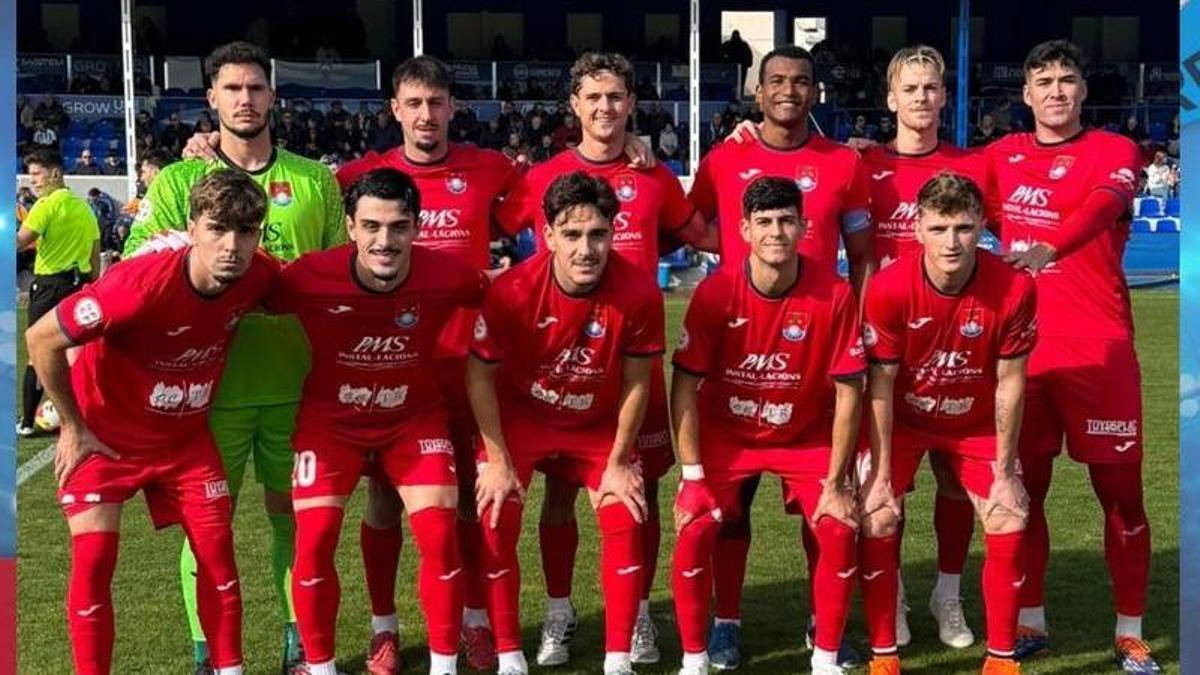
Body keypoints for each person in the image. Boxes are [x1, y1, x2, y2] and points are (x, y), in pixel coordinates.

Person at [122, 41, 346, 674]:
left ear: (272, 96)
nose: (245, 99)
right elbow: (137, 265)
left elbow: (337, 274)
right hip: (206, 392)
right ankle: (208, 652)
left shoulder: (315, 180)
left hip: (296, 387)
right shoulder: (178, 181)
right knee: (207, 527)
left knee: (295, 520)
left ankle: (301, 644)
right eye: (232, 89)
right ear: (211, 99)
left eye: (255, 88)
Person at [493, 51, 716, 669]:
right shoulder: (546, 176)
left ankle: (638, 612)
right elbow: (491, 219)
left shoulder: (654, 175)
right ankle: (559, 613)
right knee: (558, 495)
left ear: (632, 104)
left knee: (639, 491)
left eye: (616, 96)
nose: (605, 108)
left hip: (630, 364)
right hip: (557, 366)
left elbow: (701, 233)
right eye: (592, 97)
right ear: (574, 105)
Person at [25, 170, 278, 675]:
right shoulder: (136, 287)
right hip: (105, 440)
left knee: (219, 561)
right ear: (192, 227)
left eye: (246, 231)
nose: (232, 246)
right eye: (217, 228)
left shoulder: (261, 275)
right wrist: (73, 426)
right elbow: (41, 338)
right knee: (94, 564)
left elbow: (316, 292)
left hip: (185, 444)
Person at [333, 54, 523, 674]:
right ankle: (383, 629)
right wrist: (207, 148)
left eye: (436, 103)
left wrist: (631, 148)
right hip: (395, 369)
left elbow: (552, 201)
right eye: (413, 103)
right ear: (394, 109)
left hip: (468, 369)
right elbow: (285, 191)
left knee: (470, 500)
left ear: (452, 108)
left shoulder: (489, 168)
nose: (425, 115)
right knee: (384, 501)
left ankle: (474, 622)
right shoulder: (361, 175)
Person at [689, 45, 873, 669]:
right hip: (739, 361)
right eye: (776, 81)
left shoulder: (845, 162)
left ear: (815, 92)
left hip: (816, 358)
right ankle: (726, 622)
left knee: (827, 506)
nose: (788, 90)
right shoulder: (724, 157)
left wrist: (857, 328)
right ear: (757, 91)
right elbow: (688, 224)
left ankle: (824, 623)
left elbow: (863, 254)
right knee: (730, 511)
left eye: (800, 81)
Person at [984, 40, 1161, 673]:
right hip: (1023, 355)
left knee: (1122, 497)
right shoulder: (999, 157)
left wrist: (1047, 249)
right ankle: (1030, 621)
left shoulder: (1114, 150)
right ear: (1026, 95)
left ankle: (1129, 632)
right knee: (1023, 494)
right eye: (1044, 81)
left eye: (1066, 79)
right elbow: (936, 182)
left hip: (1099, 351)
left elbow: (1101, 208)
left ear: (1083, 90)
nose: (1056, 90)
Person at [269, 169, 486, 675]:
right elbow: (244, 290)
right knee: (314, 538)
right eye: (370, 226)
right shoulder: (308, 276)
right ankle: (327, 664)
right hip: (330, 426)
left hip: (413, 422)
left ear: (417, 228)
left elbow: (504, 294)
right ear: (350, 226)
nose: (384, 240)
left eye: (398, 226)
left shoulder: (449, 274)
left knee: (439, 534)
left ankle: (444, 667)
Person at [469, 171, 662, 675]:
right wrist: (497, 460)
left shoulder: (639, 290)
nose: (585, 249)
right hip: (524, 419)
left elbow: (637, 382)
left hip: (597, 424)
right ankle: (511, 654)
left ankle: (617, 661)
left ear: (612, 234)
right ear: (548, 235)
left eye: (597, 234)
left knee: (626, 511)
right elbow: (479, 377)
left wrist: (619, 461)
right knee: (496, 512)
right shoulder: (513, 290)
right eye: (572, 234)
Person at [670, 176, 865, 675]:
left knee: (837, 526)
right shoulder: (716, 293)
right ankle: (704, 649)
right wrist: (692, 478)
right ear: (744, 230)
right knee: (697, 525)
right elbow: (685, 386)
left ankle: (825, 653)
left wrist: (838, 483)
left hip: (804, 435)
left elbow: (849, 391)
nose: (775, 231)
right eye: (764, 222)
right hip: (728, 435)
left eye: (785, 221)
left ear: (804, 227)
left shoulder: (835, 293)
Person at [859, 172, 1036, 675]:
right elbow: (880, 386)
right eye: (938, 228)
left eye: (963, 228)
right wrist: (881, 475)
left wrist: (1005, 472)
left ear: (981, 225)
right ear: (918, 229)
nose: (951, 242)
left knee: (1008, 513)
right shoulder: (889, 287)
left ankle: (997, 655)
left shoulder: (1015, 287)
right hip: (905, 419)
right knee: (878, 513)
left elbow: (1010, 383)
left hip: (974, 423)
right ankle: (884, 652)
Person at [859, 45, 993, 650]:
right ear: (891, 98)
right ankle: (892, 595)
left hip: (956, 347)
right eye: (910, 88)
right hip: (882, 346)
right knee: (885, 484)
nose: (921, 97)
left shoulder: (975, 167)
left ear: (944, 95)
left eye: (931, 87)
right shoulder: (860, 165)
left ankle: (948, 593)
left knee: (952, 476)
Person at [17, 149, 101, 437]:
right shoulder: (84, 208)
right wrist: (92, 286)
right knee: (74, 352)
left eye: (37, 174)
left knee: (37, 352)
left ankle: (27, 422)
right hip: (79, 286)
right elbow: (95, 256)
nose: (33, 181)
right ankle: (81, 415)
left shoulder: (45, 205)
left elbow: (19, 241)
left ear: (55, 173)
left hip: (49, 286)